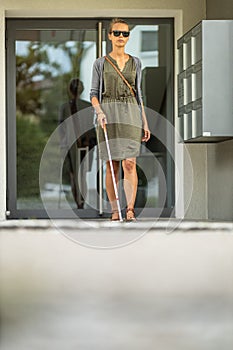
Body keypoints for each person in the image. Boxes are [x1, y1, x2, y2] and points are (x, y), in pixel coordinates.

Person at [90, 18, 150, 221]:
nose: (121, 37)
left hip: (131, 113)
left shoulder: (136, 62)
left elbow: (139, 93)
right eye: (117, 33)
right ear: (109, 35)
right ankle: (115, 210)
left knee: (130, 163)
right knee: (112, 165)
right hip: (108, 114)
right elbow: (93, 93)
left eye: (125, 33)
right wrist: (99, 112)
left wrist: (145, 121)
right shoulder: (100, 63)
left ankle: (130, 210)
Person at [59, 78, 96, 208]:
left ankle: (80, 204)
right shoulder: (86, 106)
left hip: (80, 145)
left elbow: (61, 129)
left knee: (75, 175)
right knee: (81, 175)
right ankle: (81, 204)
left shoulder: (66, 107)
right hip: (80, 145)